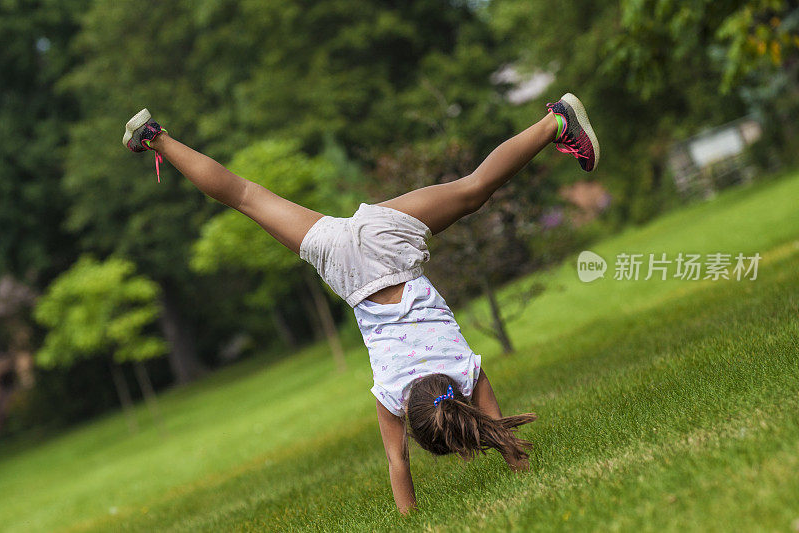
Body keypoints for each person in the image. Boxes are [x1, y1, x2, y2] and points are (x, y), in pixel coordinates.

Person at [122, 93, 599, 514]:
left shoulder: (464, 370)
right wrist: (410, 516)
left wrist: (519, 466)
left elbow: (497, 429)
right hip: (342, 259)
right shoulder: (392, 394)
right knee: (245, 197)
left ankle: (555, 122)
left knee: (474, 189)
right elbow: (397, 461)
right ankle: (155, 137)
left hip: (387, 241)